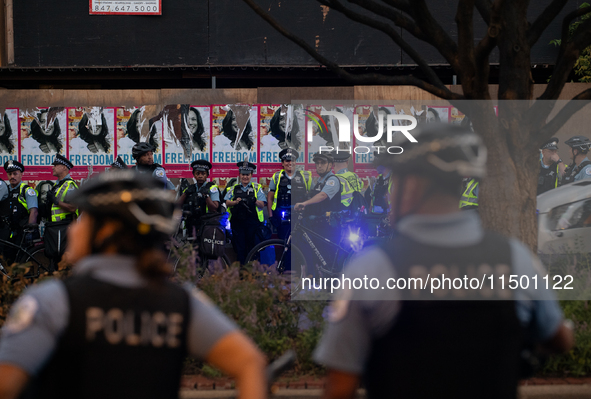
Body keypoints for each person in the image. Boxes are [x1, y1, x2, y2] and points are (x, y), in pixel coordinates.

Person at [314, 124, 574, 399]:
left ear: (414, 185)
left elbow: (340, 387)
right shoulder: (515, 258)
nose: (391, 194)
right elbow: (559, 339)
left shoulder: (371, 268)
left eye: (396, 182)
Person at [0, 170, 267, 399]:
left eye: (85, 220)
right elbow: (250, 362)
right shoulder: (182, 302)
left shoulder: (53, 300)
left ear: (107, 232)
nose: (73, 229)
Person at [224, 162, 266, 264]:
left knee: (253, 248)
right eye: (243, 174)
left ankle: (253, 273)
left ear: (251, 175)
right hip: (238, 223)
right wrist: (235, 202)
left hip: (253, 224)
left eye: (247, 174)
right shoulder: (233, 188)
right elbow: (226, 202)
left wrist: (254, 200)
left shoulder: (257, 188)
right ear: (240, 175)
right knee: (240, 249)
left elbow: (262, 204)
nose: (245, 177)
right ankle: (242, 274)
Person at [267, 149, 311, 240]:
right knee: (284, 244)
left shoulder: (305, 177)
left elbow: (314, 195)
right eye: (287, 161)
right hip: (282, 218)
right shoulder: (276, 176)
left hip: (300, 217)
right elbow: (270, 197)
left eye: (292, 160)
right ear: (282, 163)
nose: (290, 163)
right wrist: (271, 216)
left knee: (300, 244)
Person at [44, 154, 78, 269]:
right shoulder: (57, 185)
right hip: (55, 228)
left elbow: (73, 208)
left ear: (64, 167)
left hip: (65, 228)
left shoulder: (70, 185)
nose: (52, 167)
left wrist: (56, 201)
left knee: (64, 264)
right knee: (55, 263)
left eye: (55, 165)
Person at [1, 161, 38, 263]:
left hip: (22, 233)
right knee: (8, 260)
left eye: (15, 173)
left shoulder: (27, 190)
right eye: (10, 174)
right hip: (8, 232)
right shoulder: (6, 190)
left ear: (21, 174)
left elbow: (33, 211)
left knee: (22, 262)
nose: (12, 176)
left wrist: (29, 231)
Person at [178, 160, 220, 238]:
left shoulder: (212, 188)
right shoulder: (190, 188)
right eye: (197, 173)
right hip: (191, 226)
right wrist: (186, 193)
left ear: (207, 175)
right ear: (194, 174)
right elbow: (177, 205)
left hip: (207, 225)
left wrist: (206, 195)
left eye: (203, 174)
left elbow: (214, 208)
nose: (200, 176)